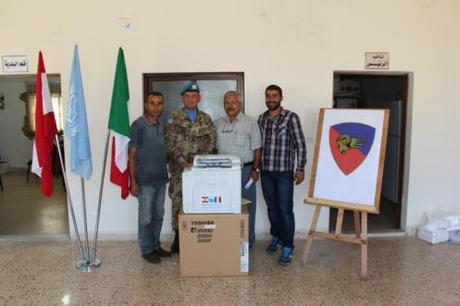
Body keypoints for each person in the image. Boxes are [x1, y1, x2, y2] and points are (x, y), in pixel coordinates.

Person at [258, 84, 307, 266]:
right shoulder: (262, 119)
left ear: (281, 97)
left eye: (274, 95)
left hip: (284, 173)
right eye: (268, 95)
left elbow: (300, 145)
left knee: (285, 210)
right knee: (272, 208)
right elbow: (259, 146)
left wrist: (300, 169)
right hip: (266, 172)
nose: (271, 98)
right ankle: (276, 236)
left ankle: (288, 246)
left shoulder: (291, 118)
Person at [166, 82, 216, 253]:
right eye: (187, 96)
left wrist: (198, 162)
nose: (191, 99)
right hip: (179, 171)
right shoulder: (174, 117)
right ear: (183, 98)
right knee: (178, 202)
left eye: (194, 96)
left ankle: (198, 235)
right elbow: (170, 143)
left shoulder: (206, 119)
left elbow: (211, 141)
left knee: (200, 200)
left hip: (199, 171)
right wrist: (182, 162)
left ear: (199, 98)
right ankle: (178, 236)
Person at [128, 91, 171, 263]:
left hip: (161, 178)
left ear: (163, 105)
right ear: (146, 105)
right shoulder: (138, 125)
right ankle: (146, 249)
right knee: (145, 217)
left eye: (159, 103)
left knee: (158, 214)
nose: (156, 106)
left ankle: (155, 245)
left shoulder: (162, 125)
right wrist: (133, 182)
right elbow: (131, 155)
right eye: (152, 103)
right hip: (144, 181)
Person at [215, 90, 261, 248]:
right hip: (223, 172)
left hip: (245, 172)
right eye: (226, 102)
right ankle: (228, 239)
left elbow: (257, 149)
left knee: (247, 207)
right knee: (224, 205)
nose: (229, 105)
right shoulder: (218, 123)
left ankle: (248, 241)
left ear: (240, 104)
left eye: (233, 102)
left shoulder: (250, 122)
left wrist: (256, 170)